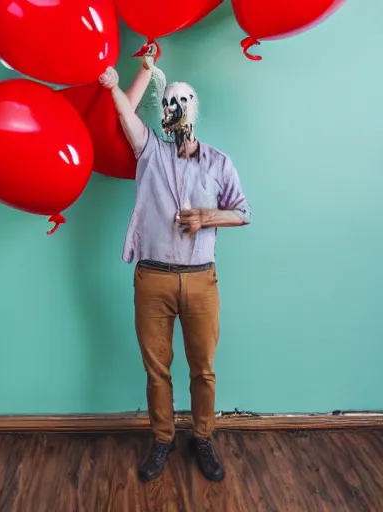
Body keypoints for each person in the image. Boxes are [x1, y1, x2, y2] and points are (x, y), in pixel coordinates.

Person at [98, 50, 251, 483]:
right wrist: (131, 78)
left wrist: (207, 217)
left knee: (203, 367)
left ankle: (202, 437)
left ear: (195, 109)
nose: (174, 107)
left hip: (201, 280)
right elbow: (125, 113)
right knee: (157, 367)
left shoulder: (218, 163)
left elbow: (242, 211)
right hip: (153, 279)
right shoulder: (149, 152)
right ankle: (162, 439)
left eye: (182, 100)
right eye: (169, 101)